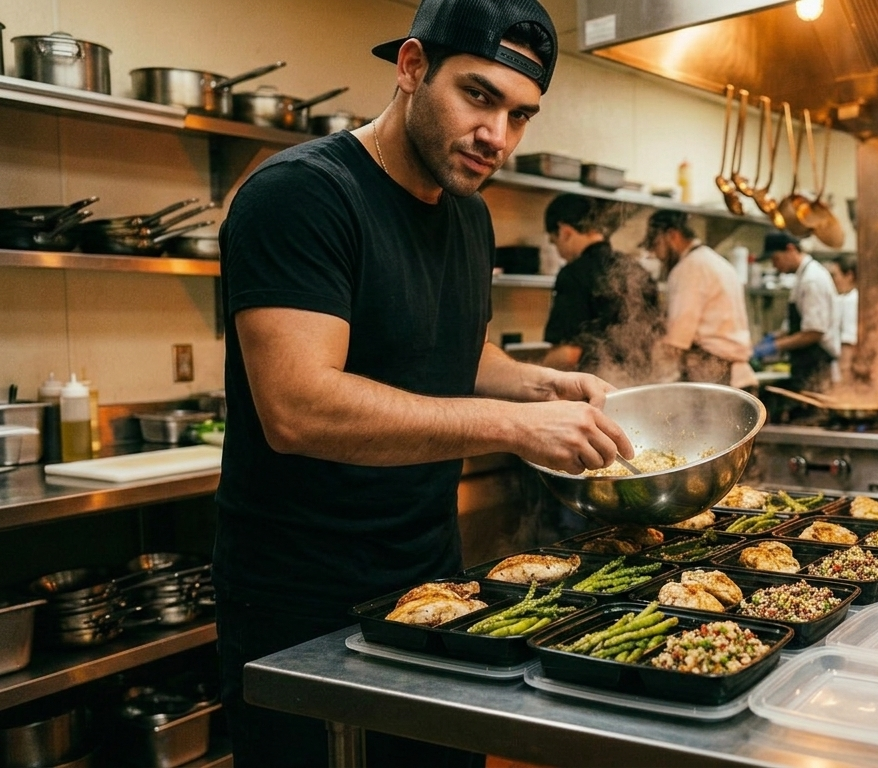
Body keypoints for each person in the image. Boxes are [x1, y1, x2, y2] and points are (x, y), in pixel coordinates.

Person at [214, 1, 634, 765]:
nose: (497, 136)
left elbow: (452, 346)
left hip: (432, 581)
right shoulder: (303, 194)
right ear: (412, 67)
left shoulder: (468, 214)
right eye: (478, 96)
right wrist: (512, 427)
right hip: (302, 600)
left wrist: (542, 388)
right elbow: (297, 408)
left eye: (520, 115)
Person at [541, 193, 659, 381]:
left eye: (555, 242)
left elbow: (568, 354)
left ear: (565, 231)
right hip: (639, 384)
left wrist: (537, 372)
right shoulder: (636, 269)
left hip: (596, 386)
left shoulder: (573, 274)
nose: (560, 254)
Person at [641, 210, 758, 388]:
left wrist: (650, 375)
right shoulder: (715, 261)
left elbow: (677, 341)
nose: (657, 254)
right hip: (738, 378)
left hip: (715, 376)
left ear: (672, 235)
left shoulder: (688, 268)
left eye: (656, 245)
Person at [754, 231, 840, 391]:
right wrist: (775, 336)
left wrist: (776, 346)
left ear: (790, 249)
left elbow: (814, 332)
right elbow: (798, 325)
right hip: (807, 366)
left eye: (776, 259)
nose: (775, 266)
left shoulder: (812, 279)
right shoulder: (802, 277)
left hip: (817, 368)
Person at [826, 254, 858, 381]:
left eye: (834, 275)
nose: (832, 280)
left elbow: (848, 341)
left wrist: (845, 371)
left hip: (845, 369)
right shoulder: (842, 298)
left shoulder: (852, 300)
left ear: (849, 275)